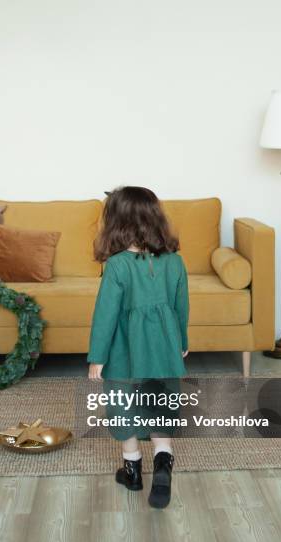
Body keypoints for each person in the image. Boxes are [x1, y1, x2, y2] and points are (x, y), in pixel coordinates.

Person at [87, 186, 189, 508]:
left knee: (123, 406)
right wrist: (182, 344)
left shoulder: (117, 265)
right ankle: (162, 463)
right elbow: (180, 307)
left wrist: (97, 358)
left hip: (123, 352)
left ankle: (132, 471)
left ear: (117, 222)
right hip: (163, 348)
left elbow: (105, 315)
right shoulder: (175, 262)